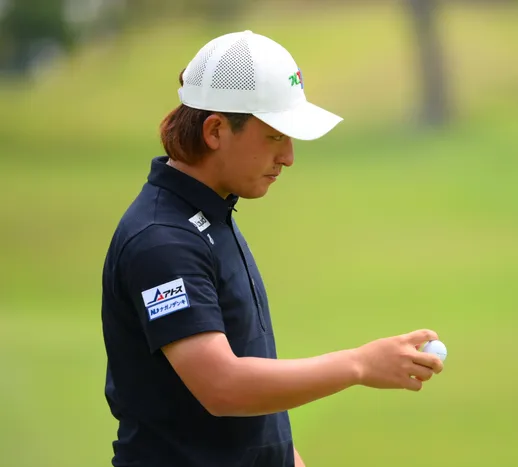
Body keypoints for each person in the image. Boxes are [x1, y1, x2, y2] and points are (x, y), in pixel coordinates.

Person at [100, 30, 444, 467]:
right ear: (216, 130)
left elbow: (252, 385)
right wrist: (359, 364)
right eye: (275, 136)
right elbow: (222, 386)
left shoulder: (209, 216)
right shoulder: (162, 240)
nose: (289, 157)